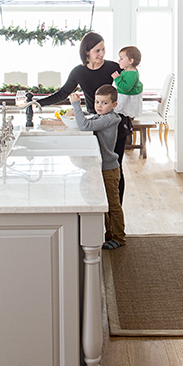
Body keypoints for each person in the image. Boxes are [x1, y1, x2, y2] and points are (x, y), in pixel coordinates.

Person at [35, 31, 131, 204]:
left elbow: (131, 82)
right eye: (97, 51)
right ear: (87, 52)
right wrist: (38, 103)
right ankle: (98, 208)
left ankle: (116, 210)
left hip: (113, 125)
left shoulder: (112, 67)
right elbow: (63, 93)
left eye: (103, 50)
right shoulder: (78, 72)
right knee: (96, 168)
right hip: (93, 126)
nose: (102, 54)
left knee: (116, 168)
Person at [69, 84, 126, 250]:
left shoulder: (110, 118)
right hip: (101, 167)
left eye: (104, 103)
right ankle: (109, 234)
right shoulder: (102, 116)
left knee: (113, 205)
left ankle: (119, 237)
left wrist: (75, 105)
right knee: (104, 203)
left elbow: (85, 125)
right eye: (97, 102)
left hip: (109, 168)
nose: (99, 106)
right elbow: (91, 119)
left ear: (114, 105)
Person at [111, 45, 143, 119]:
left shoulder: (131, 74)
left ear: (130, 61)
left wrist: (117, 78)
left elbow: (126, 88)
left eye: (121, 58)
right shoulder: (127, 71)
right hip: (124, 97)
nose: (119, 60)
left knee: (124, 116)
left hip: (127, 100)